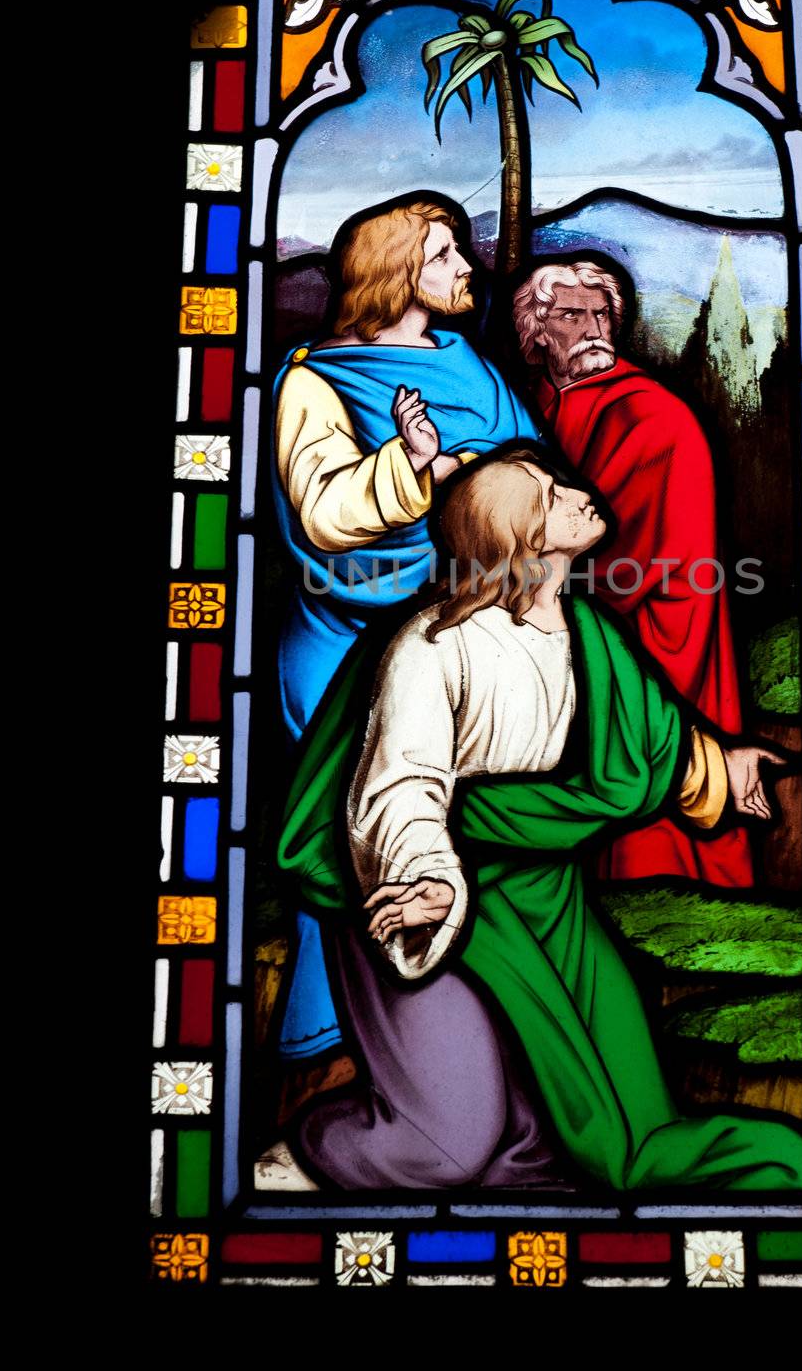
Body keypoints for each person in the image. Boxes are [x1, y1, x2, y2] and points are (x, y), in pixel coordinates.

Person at [284, 451, 802, 1192]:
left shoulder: (588, 635)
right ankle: (298, 1163)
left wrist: (722, 772)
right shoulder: (433, 646)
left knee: (614, 1118)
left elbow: (645, 740)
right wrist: (426, 881)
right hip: (429, 894)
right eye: (550, 495)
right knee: (448, 1149)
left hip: (547, 898)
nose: (578, 494)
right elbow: (400, 784)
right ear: (518, 538)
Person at [270, 195, 537, 1062]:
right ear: (396, 273)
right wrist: (414, 467)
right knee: (346, 830)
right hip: (349, 639)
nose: (467, 268)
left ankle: (457, 1033)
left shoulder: (468, 361)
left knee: (460, 823)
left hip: (465, 632)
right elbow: (322, 512)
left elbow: (528, 473)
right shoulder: (316, 379)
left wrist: (483, 482)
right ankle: (333, 1028)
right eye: (445, 254)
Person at [513, 259, 753, 886]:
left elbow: (624, 554)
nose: (595, 328)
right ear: (538, 332)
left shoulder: (651, 416)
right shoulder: (534, 402)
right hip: (584, 614)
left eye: (602, 315)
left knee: (639, 771)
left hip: (654, 624)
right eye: (572, 315)